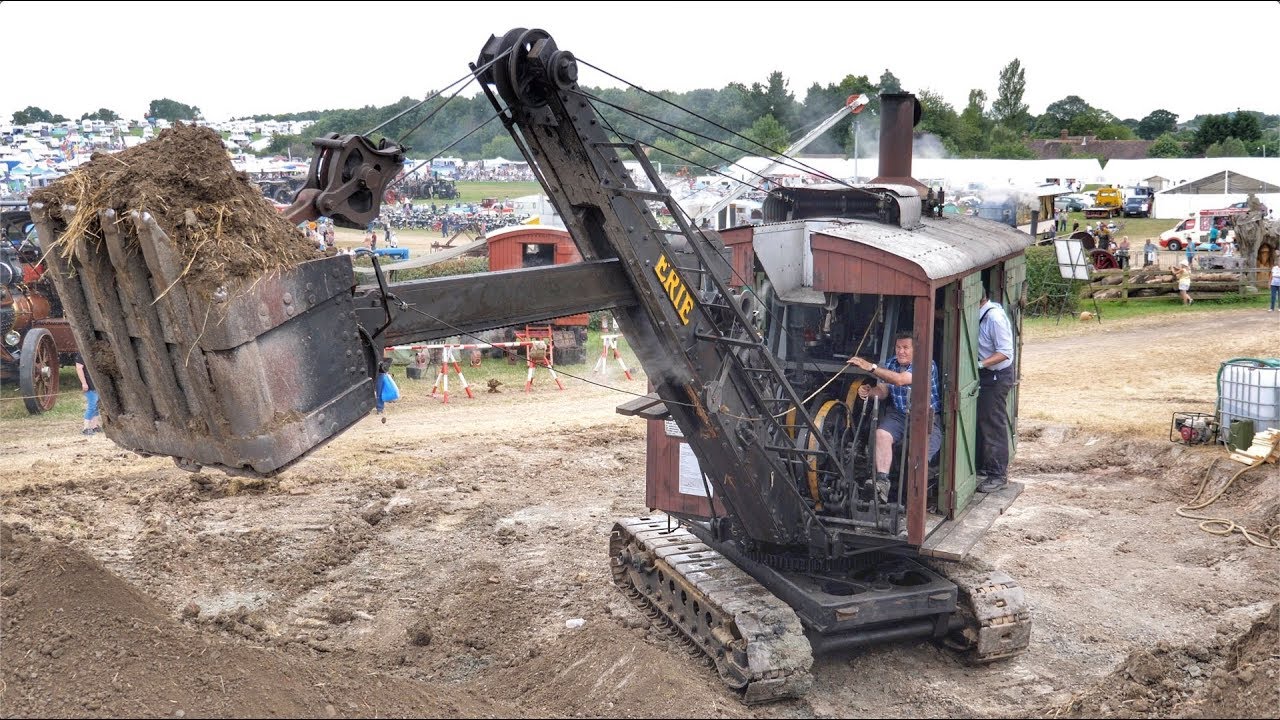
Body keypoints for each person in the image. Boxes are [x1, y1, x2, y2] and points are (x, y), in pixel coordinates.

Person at [846, 332, 942, 503]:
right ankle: (882, 482)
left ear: (915, 350)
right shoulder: (891, 363)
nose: (901, 351)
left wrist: (871, 367)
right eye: (898, 347)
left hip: (925, 417)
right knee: (882, 434)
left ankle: (916, 499)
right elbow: (883, 391)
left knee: (919, 457)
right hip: (899, 414)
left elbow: (900, 380)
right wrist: (869, 392)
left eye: (906, 348)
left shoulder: (925, 364)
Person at [975, 287, 1015, 494]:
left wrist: (980, 365)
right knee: (984, 421)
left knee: (993, 424)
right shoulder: (983, 315)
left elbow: (1005, 352)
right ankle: (987, 467)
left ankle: (998, 475)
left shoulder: (994, 318)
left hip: (996, 376)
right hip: (988, 375)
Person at [74, 352, 100, 435]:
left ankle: (94, 426)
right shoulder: (81, 354)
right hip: (89, 384)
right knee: (92, 406)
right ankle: (86, 428)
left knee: (96, 405)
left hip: (96, 384)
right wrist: (84, 383)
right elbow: (79, 368)